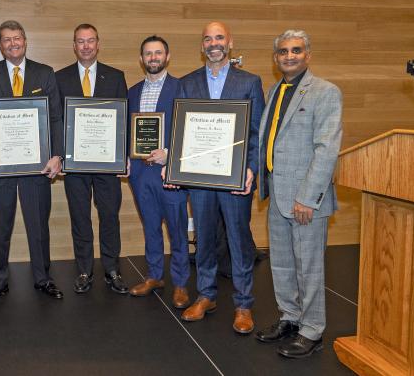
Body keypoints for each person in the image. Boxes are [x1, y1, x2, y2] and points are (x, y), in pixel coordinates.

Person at [255, 30, 342, 358]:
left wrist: (308, 197)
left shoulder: (325, 92)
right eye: (282, 51)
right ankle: (290, 318)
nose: (288, 56)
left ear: (308, 54)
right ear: (275, 57)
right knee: (282, 263)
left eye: (296, 50)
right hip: (277, 194)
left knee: (309, 266)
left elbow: (327, 148)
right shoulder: (275, 89)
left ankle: (312, 329)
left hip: (305, 199)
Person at [177, 22, 265, 334]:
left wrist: (252, 168)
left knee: (239, 239)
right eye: (207, 39)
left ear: (229, 42)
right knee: (204, 238)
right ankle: (206, 295)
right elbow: (182, 131)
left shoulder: (249, 81)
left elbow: (257, 131)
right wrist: (175, 166)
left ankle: (243, 303)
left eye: (219, 37)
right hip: (200, 179)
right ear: (202, 47)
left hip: (235, 178)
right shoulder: (188, 83)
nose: (213, 43)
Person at [0, 20, 65, 304]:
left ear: (25, 41)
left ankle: (43, 278)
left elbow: (55, 118)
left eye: (17, 38)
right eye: (6, 40)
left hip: (37, 166)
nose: (12, 43)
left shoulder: (44, 73)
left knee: (38, 225)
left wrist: (57, 155)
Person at [55, 24, 128, 294]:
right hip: (75, 165)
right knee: (80, 217)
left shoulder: (116, 76)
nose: (86, 46)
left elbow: (123, 118)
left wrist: (124, 156)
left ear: (98, 44)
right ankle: (84, 269)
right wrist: (59, 154)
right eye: (80, 41)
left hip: (107, 164)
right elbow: (57, 120)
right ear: (74, 46)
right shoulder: (59, 78)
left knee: (109, 216)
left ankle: (112, 269)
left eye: (90, 41)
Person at [128, 35, 192, 309]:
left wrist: (170, 155)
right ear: (141, 59)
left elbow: (191, 130)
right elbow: (125, 132)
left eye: (158, 53)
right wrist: (124, 160)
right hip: (141, 173)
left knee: (177, 229)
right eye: (148, 54)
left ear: (167, 57)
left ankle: (180, 283)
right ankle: (154, 275)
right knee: (150, 226)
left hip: (169, 172)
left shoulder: (183, 88)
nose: (153, 58)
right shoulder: (132, 92)